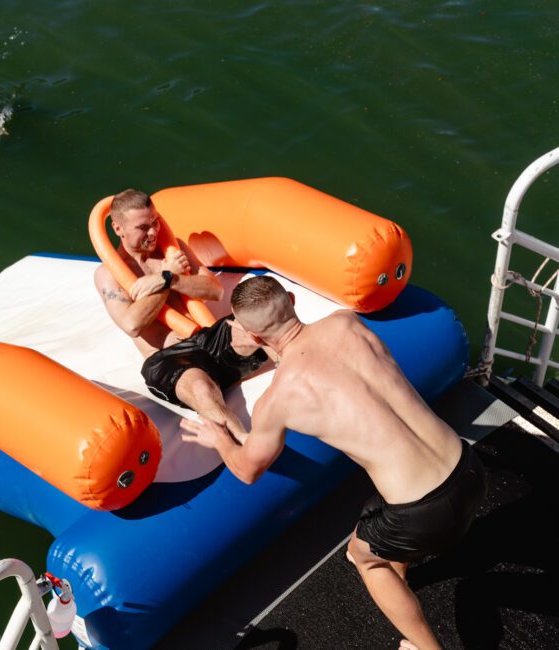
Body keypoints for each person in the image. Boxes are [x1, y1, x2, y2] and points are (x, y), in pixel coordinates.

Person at [180, 275, 486, 650]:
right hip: (468, 465)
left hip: (421, 513)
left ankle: (427, 648)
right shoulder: (348, 322)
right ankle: (400, 569)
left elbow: (247, 469)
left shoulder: (277, 400)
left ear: (252, 336)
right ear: (292, 299)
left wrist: (219, 438)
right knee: (372, 526)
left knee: (363, 559)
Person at [94, 189, 270, 440]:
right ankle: (245, 443)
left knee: (262, 322)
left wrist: (170, 278)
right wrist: (164, 281)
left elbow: (214, 290)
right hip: (167, 359)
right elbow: (132, 323)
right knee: (200, 386)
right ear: (118, 229)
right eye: (143, 227)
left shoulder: (172, 251)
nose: (153, 232)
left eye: (155, 222)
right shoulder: (108, 275)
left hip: (205, 339)